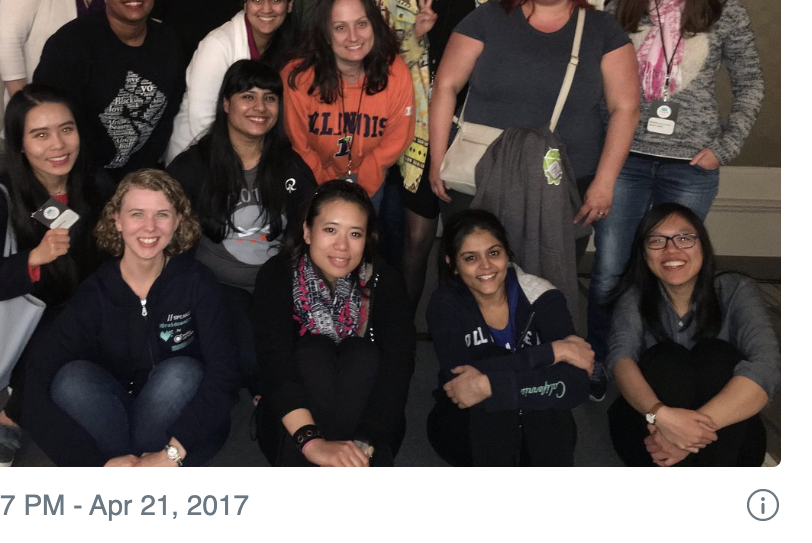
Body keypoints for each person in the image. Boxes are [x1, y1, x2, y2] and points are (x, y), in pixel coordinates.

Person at [589, 0, 765, 394]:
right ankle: (605, 360)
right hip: (625, 159)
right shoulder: (618, 6)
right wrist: (606, 146)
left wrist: (725, 147)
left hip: (691, 164)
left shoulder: (722, 8)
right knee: (609, 267)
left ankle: (658, 360)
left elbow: (751, 83)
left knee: (674, 269)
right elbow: (599, 89)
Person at [427, 0, 640, 320]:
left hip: (563, 183)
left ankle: (545, 369)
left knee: (549, 283)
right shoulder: (487, 19)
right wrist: (438, 159)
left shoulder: (602, 30)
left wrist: (605, 183)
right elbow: (445, 87)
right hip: (477, 179)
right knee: (472, 281)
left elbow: (625, 108)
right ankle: (466, 365)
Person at [23, 169, 240, 467]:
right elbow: (36, 379)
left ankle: (138, 475)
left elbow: (225, 372)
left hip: (181, 428)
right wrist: (94, 465)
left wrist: (172, 453)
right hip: (114, 411)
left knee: (181, 373)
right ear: (117, 219)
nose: (149, 227)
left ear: (178, 221)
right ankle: (134, 473)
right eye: (137, 214)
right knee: (69, 380)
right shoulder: (95, 291)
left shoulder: (197, 282)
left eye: (162, 214)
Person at [0, 85, 96, 467]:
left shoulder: (92, 188)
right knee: (57, 339)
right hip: (21, 314)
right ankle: (10, 417)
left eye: (67, 129)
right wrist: (33, 258)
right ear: (18, 143)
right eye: (40, 135)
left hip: (79, 305)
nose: (58, 145)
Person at [380, 0, 503, 312]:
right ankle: (405, 331)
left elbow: (499, 51)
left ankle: (458, 324)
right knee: (416, 238)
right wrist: (414, 34)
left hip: (470, 128)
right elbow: (380, 64)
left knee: (466, 237)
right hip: (415, 132)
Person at [167, 60, 315, 390]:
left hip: (275, 282)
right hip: (217, 285)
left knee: (304, 355)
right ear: (226, 104)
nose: (260, 107)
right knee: (251, 360)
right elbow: (164, 234)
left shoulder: (288, 163)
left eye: (270, 98)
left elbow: (312, 223)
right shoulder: (194, 166)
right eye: (247, 96)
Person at [252, 181, 415, 466]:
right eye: (330, 230)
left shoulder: (385, 280)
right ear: (307, 231)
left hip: (368, 429)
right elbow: (276, 365)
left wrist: (364, 441)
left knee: (361, 354)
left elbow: (397, 371)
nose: (342, 245)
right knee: (314, 351)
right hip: (293, 426)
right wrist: (313, 444)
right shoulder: (277, 275)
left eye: (355, 234)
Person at [606, 204, 778, 467]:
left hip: (722, 431)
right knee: (664, 358)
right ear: (643, 252)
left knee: (718, 356)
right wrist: (661, 417)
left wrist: (686, 435)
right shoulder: (635, 295)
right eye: (656, 241)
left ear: (703, 246)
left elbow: (766, 366)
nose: (671, 250)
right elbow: (621, 360)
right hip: (652, 430)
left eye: (684, 238)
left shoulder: (736, 289)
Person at [426, 210, 593, 466]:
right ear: (453, 265)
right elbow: (459, 383)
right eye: (470, 258)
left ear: (507, 253)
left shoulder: (542, 295)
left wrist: (495, 385)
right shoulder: (445, 305)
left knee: (532, 403)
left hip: (539, 429)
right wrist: (551, 353)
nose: (486, 266)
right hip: (470, 427)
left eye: (494, 253)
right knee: (502, 386)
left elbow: (578, 384)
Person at [34, 0, 185, 202]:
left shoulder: (169, 43)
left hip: (137, 182)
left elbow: (169, 115)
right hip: (67, 181)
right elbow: (47, 126)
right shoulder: (70, 45)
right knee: (61, 238)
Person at [282, 0, 415, 203]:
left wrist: (362, 187)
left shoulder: (396, 72)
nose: (353, 37)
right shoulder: (297, 78)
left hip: (370, 180)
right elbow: (300, 145)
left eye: (361, 24)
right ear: (325, 34)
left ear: (373, 25)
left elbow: (395, 141)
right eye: (340, 27)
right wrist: (327, 187)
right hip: (312, 178)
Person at [166, 0, 295, 162]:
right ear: (245, 4)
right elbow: (202, 120)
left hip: (251, 156)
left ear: (290, 4)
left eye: (276, 0)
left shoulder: (288, 45)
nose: (266, 9)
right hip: (201, 157)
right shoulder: (217, 45)